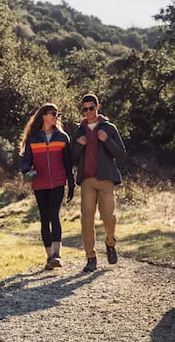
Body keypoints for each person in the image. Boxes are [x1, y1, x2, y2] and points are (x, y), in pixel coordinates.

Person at [71, 93, 126, 273]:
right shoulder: (78, 131)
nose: (88, 112)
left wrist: (107, 140)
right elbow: (71, 158)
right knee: (87, 220)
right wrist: (78, 145)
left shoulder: (109, 128)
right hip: (87, 180)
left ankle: (110, 243)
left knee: (108, 217)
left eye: (91, 108)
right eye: (85, 109)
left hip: (106, 180)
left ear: (98, 107)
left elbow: (121, 154)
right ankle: (90, 258)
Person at [19, 103, 75, 270]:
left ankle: (57, 255)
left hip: (58, 182)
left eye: (58, 114)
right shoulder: (33, 138)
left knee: (53, 215)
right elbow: (26, 160)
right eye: (53, 113)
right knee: (44, 218)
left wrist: (71, 184)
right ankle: (49, 257)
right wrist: (26, 171)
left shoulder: (63, 137)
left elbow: (68, 163)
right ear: (44, 115)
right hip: (40, 183)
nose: (56, 116)